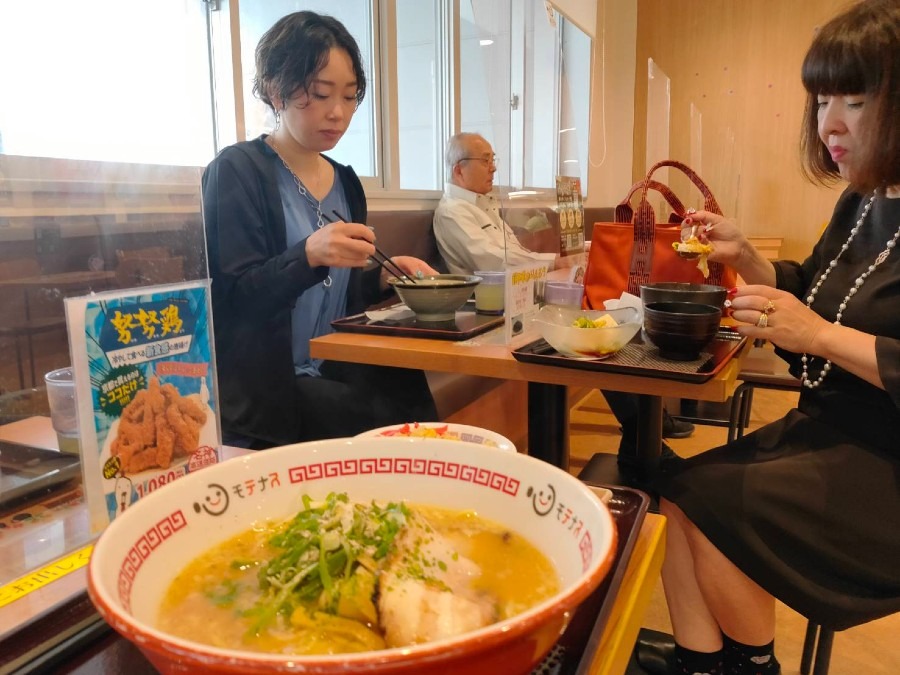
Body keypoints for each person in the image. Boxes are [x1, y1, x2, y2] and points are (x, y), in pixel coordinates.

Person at [640, 2, 900, 674]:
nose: (830, 123)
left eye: (856, 98)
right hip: (829, 429)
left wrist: (819, 335)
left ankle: (753, 665)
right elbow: (815, 287)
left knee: (713, 506)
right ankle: (705, 665)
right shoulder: (864, 199)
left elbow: (820, 323)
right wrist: (748, 259)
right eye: (821, 100)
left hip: (884, 460)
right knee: (670, 488)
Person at [202, 11, 438, 449]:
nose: (338, 113)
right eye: (320, 93)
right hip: (272, 383)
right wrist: (307, 254)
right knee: (381, 427)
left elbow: (341, 296)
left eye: (349, 97)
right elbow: (232, 298)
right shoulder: (237, 171)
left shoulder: (345, 180)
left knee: (413, 401)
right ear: (276, 91)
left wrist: (382, 276)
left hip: (336, 361)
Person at [433, 132, 694, 466]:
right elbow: (493, 262)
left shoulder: (484, 208)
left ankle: (642, 428)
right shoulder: (453, 212)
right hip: (491, 313)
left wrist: (562, 260)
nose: (493, 168)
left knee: (604, 320)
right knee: (591, 329)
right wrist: (555, 262)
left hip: (522, 298)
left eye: (493, 159)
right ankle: (640, 432)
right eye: (486, 160)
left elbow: (520, 254)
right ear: (458, 170)